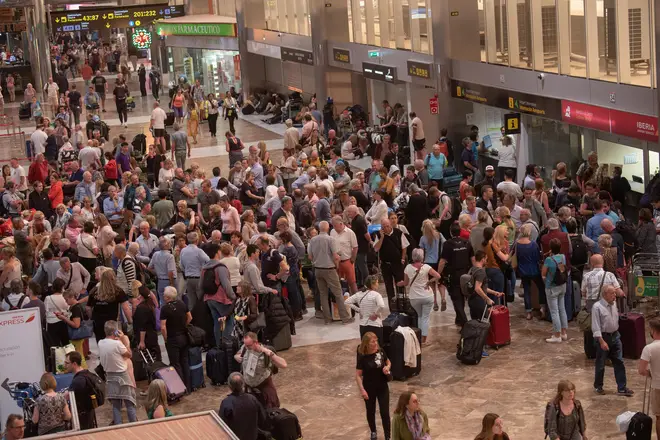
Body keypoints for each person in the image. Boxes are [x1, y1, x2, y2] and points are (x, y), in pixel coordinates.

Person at [308, 221, 354, 324]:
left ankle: (327, 319)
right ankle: (345, 318)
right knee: (338, 293)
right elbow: (336, 256)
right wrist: (336, 265)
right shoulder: (330, 239)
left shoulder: (313, 240)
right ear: (328, 228)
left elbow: (310, 257)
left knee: (323, 294)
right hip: (329, 269)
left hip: (318, 269)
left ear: (319, 229)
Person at [592, 284, 634, 396]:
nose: (614, 295)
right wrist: (601, 341)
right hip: (604, 338)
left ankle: (622, 388)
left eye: (615, 293)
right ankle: (598, 386)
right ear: (605, 294)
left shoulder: (614, 303)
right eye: (612, 293)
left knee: (619, 362)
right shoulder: (597, 307)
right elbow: (595, 327)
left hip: (615, 336)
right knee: (601, 364)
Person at [398, 248, 441, 345]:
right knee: (425, 317)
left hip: (414, 297)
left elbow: (405, 283)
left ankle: (419, 337)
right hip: (427, 296)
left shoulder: (408, 268)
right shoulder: (426, 267)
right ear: (422, 257)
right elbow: (438, 276)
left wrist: (399, 284)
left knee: (420, 316)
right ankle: (424, 339)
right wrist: (429, 281)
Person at [98, 320, 137, 424]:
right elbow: (129, 354)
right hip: (123, 377)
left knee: (116, 407)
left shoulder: (100, 343)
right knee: (130, 405)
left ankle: (118, 427)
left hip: (110, 377)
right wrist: (125, 341)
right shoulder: (117, 344)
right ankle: (134, 426)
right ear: (116, 331)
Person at [235, 331, 288, 409]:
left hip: (263, 389)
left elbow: (284, 364)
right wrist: (236, 356)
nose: (246, 347)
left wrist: (271, 354)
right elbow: (238, 353)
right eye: (245, 345)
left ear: (256, 342)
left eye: (249, 346)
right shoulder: (245, 347)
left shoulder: (266, 353)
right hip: (249, 389)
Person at [356, 332, 392, 440]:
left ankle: (387, 436)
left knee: (385, 412)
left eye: (376, 340)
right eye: (373, 341)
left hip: (382, 386)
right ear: (367, 344)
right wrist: (362, 390)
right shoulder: (363, 357)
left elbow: (388, 362)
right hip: (369, 388)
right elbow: (358, 375)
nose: (376, 343)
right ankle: (373, 432)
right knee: (370, 411)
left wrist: (387, 368)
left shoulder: (380, 352)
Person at [160, 286, 192, 392]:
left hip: (173, 339)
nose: (163, 295)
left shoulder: (165, 308)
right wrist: (184, 325)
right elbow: (190, 317)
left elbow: (163, 326)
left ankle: (180, 388)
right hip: (184, 336)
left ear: (168, 297)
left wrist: (165, 338)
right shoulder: (182, 304)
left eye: (164, 294)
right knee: (185, 361)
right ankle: (188, 387)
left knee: (176, 364)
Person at [218, 372, 267, 440]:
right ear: (243, 384)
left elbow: (221, 425)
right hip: (252, 437)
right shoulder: (252, 399)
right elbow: (262, 418)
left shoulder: (226, 403)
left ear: (230, 386)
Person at [88, 269, 131, 343]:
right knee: (114, 342)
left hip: (98, 322)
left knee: (100, 342)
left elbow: (88, 308)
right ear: (113, 278)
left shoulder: (94, 291)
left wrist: (92, 318)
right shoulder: (118, 291)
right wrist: (130, 320)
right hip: (112, 322)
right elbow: (126, 308)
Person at [515, 224, 546, 320]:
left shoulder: (517, 244)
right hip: (534, 270)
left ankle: (528, 312)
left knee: (527, 291)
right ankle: (542, 308)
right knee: (541, 287)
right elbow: (538, 258)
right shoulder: (533, 244)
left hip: (522, 270)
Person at [542, 238, 569, 343]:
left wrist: (546, 282)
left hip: (552, 287)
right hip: (562, 285)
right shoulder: (562, 257)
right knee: (562, 309)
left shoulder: (549, 260)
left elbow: (543, 274)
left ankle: (557, 335)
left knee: (554, 311)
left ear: (550, 248)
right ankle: (563, 332)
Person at [639, 318, 660, 439]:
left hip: (658, 386)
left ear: (653, 331)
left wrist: (651, 373)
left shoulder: (649, 348)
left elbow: (642, 370)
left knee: (659, 416)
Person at [65, 351, 97, 430]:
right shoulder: (87, 373)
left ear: (74, 364)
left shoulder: (78, 380)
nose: (64, 365)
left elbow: (67, 397)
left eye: (67, 363)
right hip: (90, 413)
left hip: (81, 418)